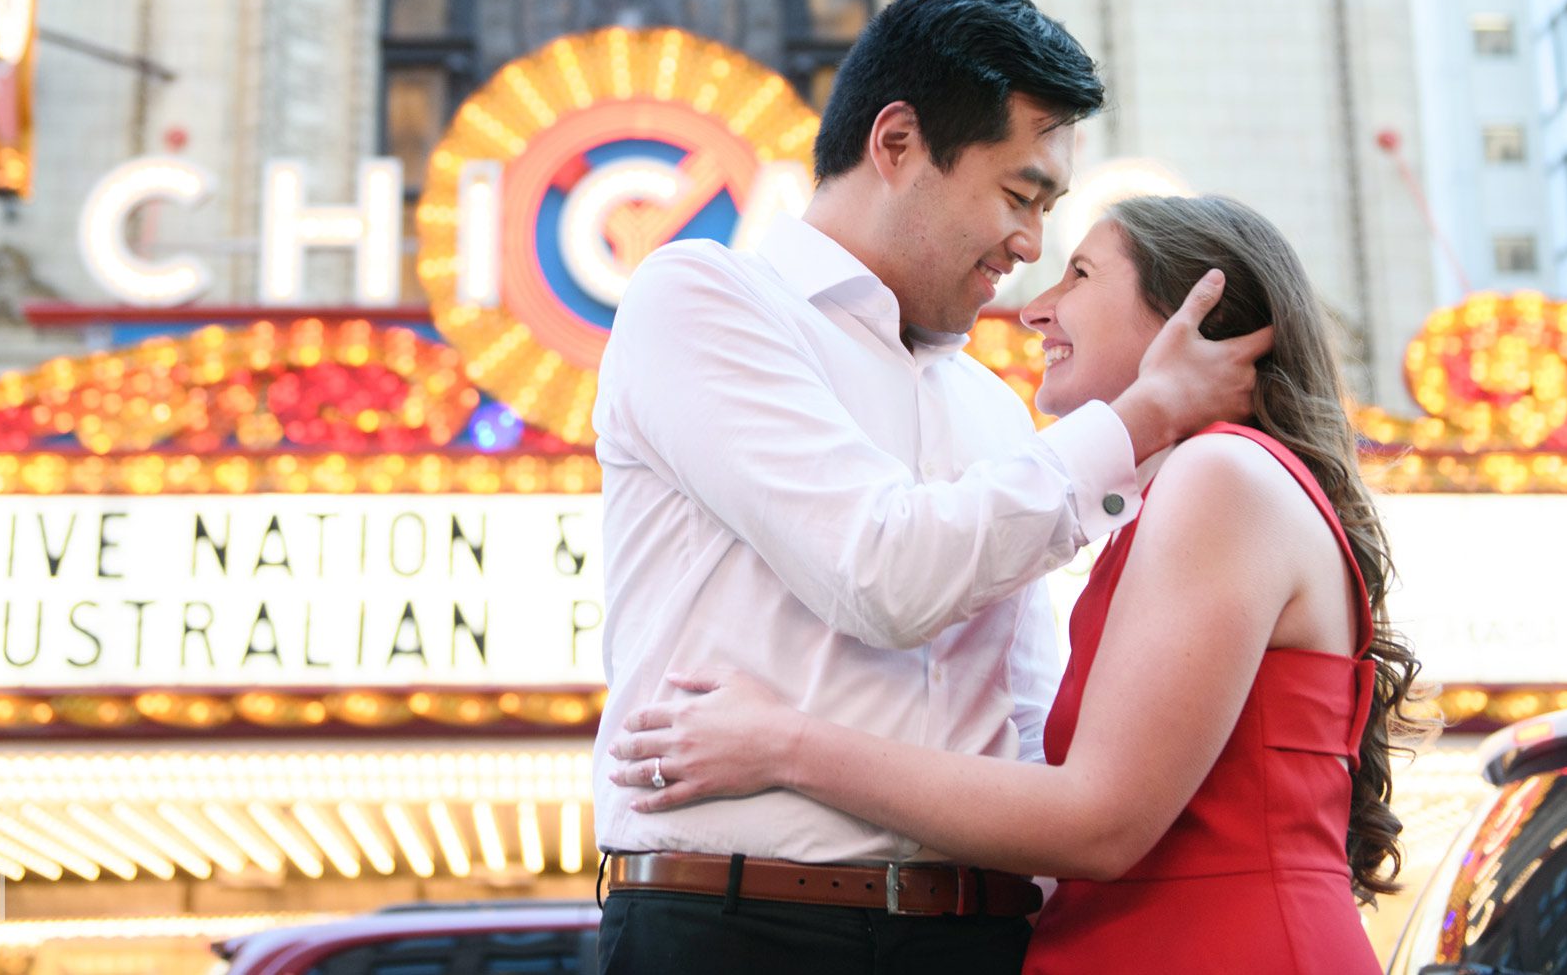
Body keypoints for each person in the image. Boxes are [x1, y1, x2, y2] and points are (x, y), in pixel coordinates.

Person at [590, 0, 1273, 975]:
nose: (1030, 244)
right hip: (736, 928)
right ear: (897, 142)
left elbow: (1023, 714)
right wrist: (1142, 417)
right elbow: (881, 573)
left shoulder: (996, 409)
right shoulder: (702, 296)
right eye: (1016, 193)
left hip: (979, 936)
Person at [608, 194, 1429, 974]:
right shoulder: (1180, 495)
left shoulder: (1220, 475)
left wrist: (785, 743)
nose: (1036, 307)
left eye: (1080, 274)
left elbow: (1098, 821)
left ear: (1193, 318)